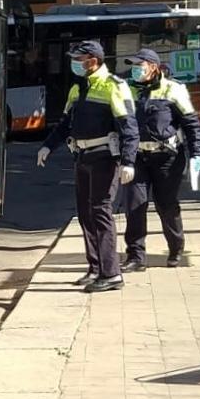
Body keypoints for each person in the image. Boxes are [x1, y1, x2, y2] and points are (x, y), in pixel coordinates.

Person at [36, 40, 138, 292]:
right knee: (85, 214)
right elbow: (64, 124)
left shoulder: (114, 86)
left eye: (79, 60)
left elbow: (129, 128)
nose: (75, 64)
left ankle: (111, 273)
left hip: (105, 157)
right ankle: (95, 268)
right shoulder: (77, 88)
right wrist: (48, 146)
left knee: (101, 212)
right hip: (82, 157)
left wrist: (128, 162)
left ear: (93, 61)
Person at [119, 48, 200, 270]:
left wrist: (197, 155)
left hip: (167, 157)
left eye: (140, 65)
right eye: (133, 66)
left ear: (153, 67)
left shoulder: (173, 89)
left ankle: (176, 247)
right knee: (134, 205)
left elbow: (191, 124)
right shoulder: (126, 89)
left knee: (165, 205)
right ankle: (136, 256)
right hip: (136, 156)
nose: (135, 70)